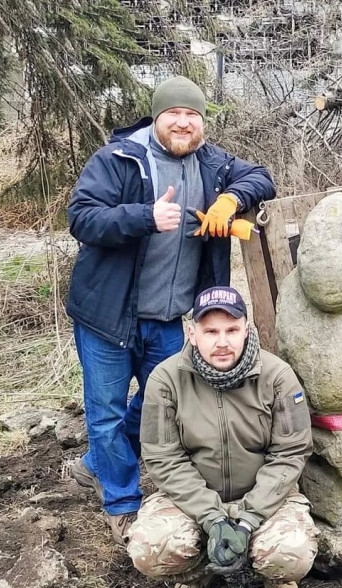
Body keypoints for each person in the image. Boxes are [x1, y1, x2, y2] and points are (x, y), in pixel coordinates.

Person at [66, 76, 276, 545]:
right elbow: (80, 217)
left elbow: (263, 176)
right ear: (157, 117)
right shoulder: (118, 159)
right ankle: (122, 505)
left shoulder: (213, 162)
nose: (183, 123)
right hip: (108, 315)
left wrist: (230, 198)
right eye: (174, 115)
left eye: (192, 116)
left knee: (162, 405)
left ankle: (98, 462)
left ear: (201, 122)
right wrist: (142, 217)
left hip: (169, 317)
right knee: (104, 414)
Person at [127, 286, 318, 588]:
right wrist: (212, 518)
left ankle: (270, 576)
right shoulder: (165, 380)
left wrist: (247, 520)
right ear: (191, 333)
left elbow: (290, 454)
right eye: (211, 331)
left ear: (246, 330)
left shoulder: (278, 376)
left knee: (290, 553)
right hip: (191, 499)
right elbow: (164, 459)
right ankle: (204, 572)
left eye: (232, 330)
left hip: (263, 497)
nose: (223, 342)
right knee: (150, 548)